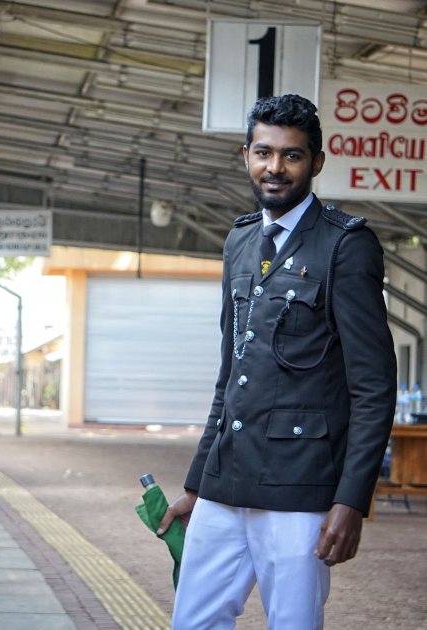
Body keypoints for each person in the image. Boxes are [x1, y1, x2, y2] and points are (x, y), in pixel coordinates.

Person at [157, 94, 397, 629]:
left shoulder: (345, 246)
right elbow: (230, 372)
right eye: (264, 152)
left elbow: (374, 386)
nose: (275, 167)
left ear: (316, 162)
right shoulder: (240, 240)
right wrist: (198, 483)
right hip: (225, 484)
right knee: (192, 623)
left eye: (291, 155)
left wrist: (352, 501)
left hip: (300, 489)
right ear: (246, 155)